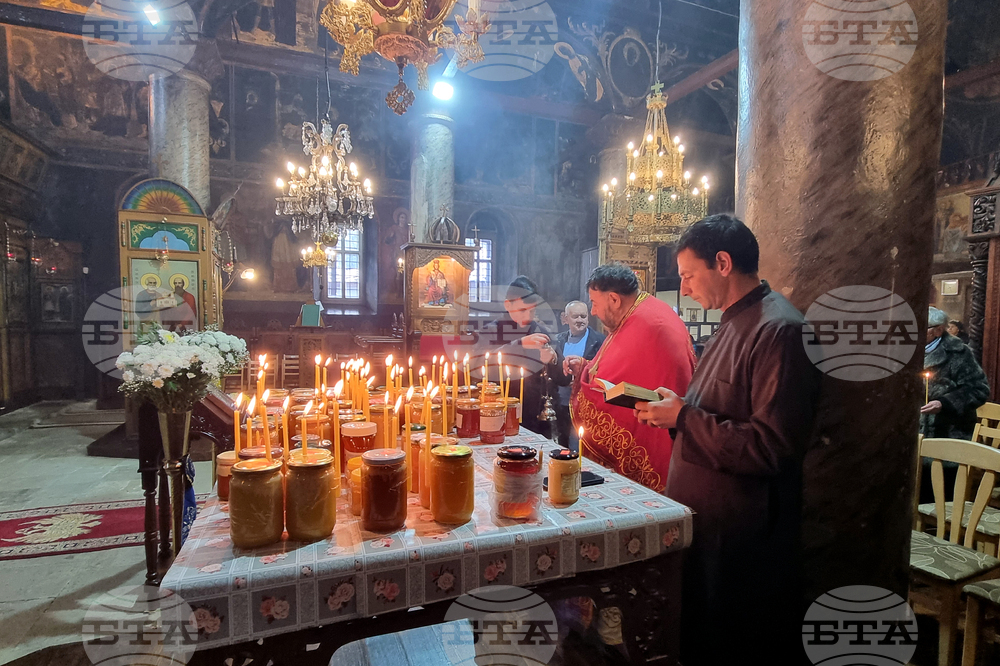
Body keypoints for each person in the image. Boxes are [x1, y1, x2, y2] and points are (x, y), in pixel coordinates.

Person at [633, 214, 820, 665]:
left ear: (722, 263)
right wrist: (678, 409)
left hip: (741, 537)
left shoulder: (779, 330)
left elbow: (770, 448)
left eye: (688, 275)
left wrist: (684, 416)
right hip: (710, 524)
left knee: (733, 644)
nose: (684, 289)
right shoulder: (736, 320)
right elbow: (720, 410)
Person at [563, 263, 695, 491]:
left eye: (594, 303)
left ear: (614, 299)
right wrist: (584, 366)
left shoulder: (647, 324)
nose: (593, 312)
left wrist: (586, 381)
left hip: (664, 433)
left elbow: (617, 383)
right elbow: (614, 369)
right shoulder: (643, 311)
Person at [476, 276, 557, 437]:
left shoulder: (542, 331)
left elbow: (562, 377)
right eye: (522, 310)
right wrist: (519, 344)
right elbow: (479, 366)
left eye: (532, 311)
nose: (528, 317)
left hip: (536, 418)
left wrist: (553, 359)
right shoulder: (490, 331)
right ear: (508, 305)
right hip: (498, 416)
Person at [548, 301, 605, 449]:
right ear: (565, 318)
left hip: (584, 405)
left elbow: (604, 370)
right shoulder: (557, 340)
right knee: (561, 445)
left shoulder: (600, 341)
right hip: (560, 403)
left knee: (577, 446)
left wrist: (582, 378)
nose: (580, 320)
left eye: (583, 316)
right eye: (575, 317)